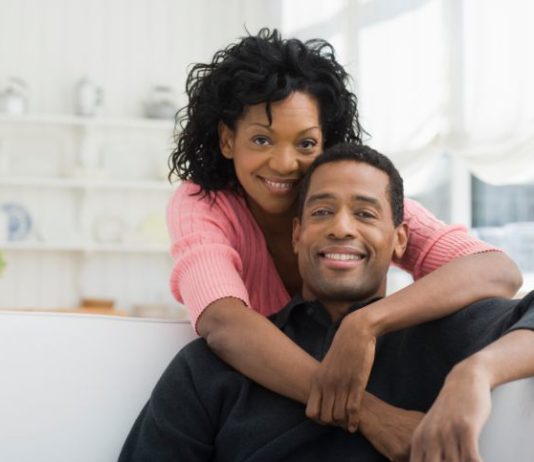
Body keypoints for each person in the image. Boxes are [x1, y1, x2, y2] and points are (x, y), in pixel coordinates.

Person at [166, 28, 522, 430]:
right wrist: (371, 416)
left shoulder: (354, 202)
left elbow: (497, 271)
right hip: (263, 406)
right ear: (228, 140)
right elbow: (223, 321)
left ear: (327, 144)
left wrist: (365, 324)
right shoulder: (203, 203)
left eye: (305, 144)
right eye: (262, 140)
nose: (285, 164)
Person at [122, 144, 534, 461]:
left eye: (365, 214)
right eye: (322, 212)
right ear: (297, 234)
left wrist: (475, 373)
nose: (341, 228)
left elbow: (503, 276)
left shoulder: (446, 334)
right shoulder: (211, 369)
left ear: (401, 240)